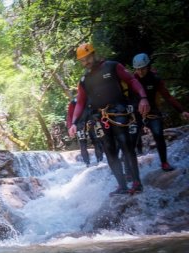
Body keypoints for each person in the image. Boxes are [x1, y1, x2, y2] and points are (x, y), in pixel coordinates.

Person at [68, 43, 151, 196]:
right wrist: (73, 123)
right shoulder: (84, 80)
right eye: (82, 60)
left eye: (87, 58)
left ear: (93, 54)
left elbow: (132, 80)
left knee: (126, 145)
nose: (86, 62)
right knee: (109, 151)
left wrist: (143, 97)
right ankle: (122, 186)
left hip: (118, 110)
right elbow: (80, 102)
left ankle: (137, 183)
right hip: (100, 116)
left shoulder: (112, 66)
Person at [132, 53, 189, 171]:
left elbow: (168, 97)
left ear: (148, 66)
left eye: (142, 68)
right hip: (136, 113)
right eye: (137, 69)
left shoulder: (155, 79)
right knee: (133, 138)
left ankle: (164, 163)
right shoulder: (132, 80)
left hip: (152, 111)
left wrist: (181, 110)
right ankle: (131, 167)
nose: (140, 71)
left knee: (158, 134)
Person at [66, 95, 104, 167]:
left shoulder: (91, 97)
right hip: (80, 125)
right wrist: (70, 126)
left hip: (92, 123)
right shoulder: (74, 101)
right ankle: (87, 163)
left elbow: (97, 110)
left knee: (97, 141)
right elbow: (70, 114)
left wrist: (98, 120)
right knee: (83, 144)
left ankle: (100, 160)